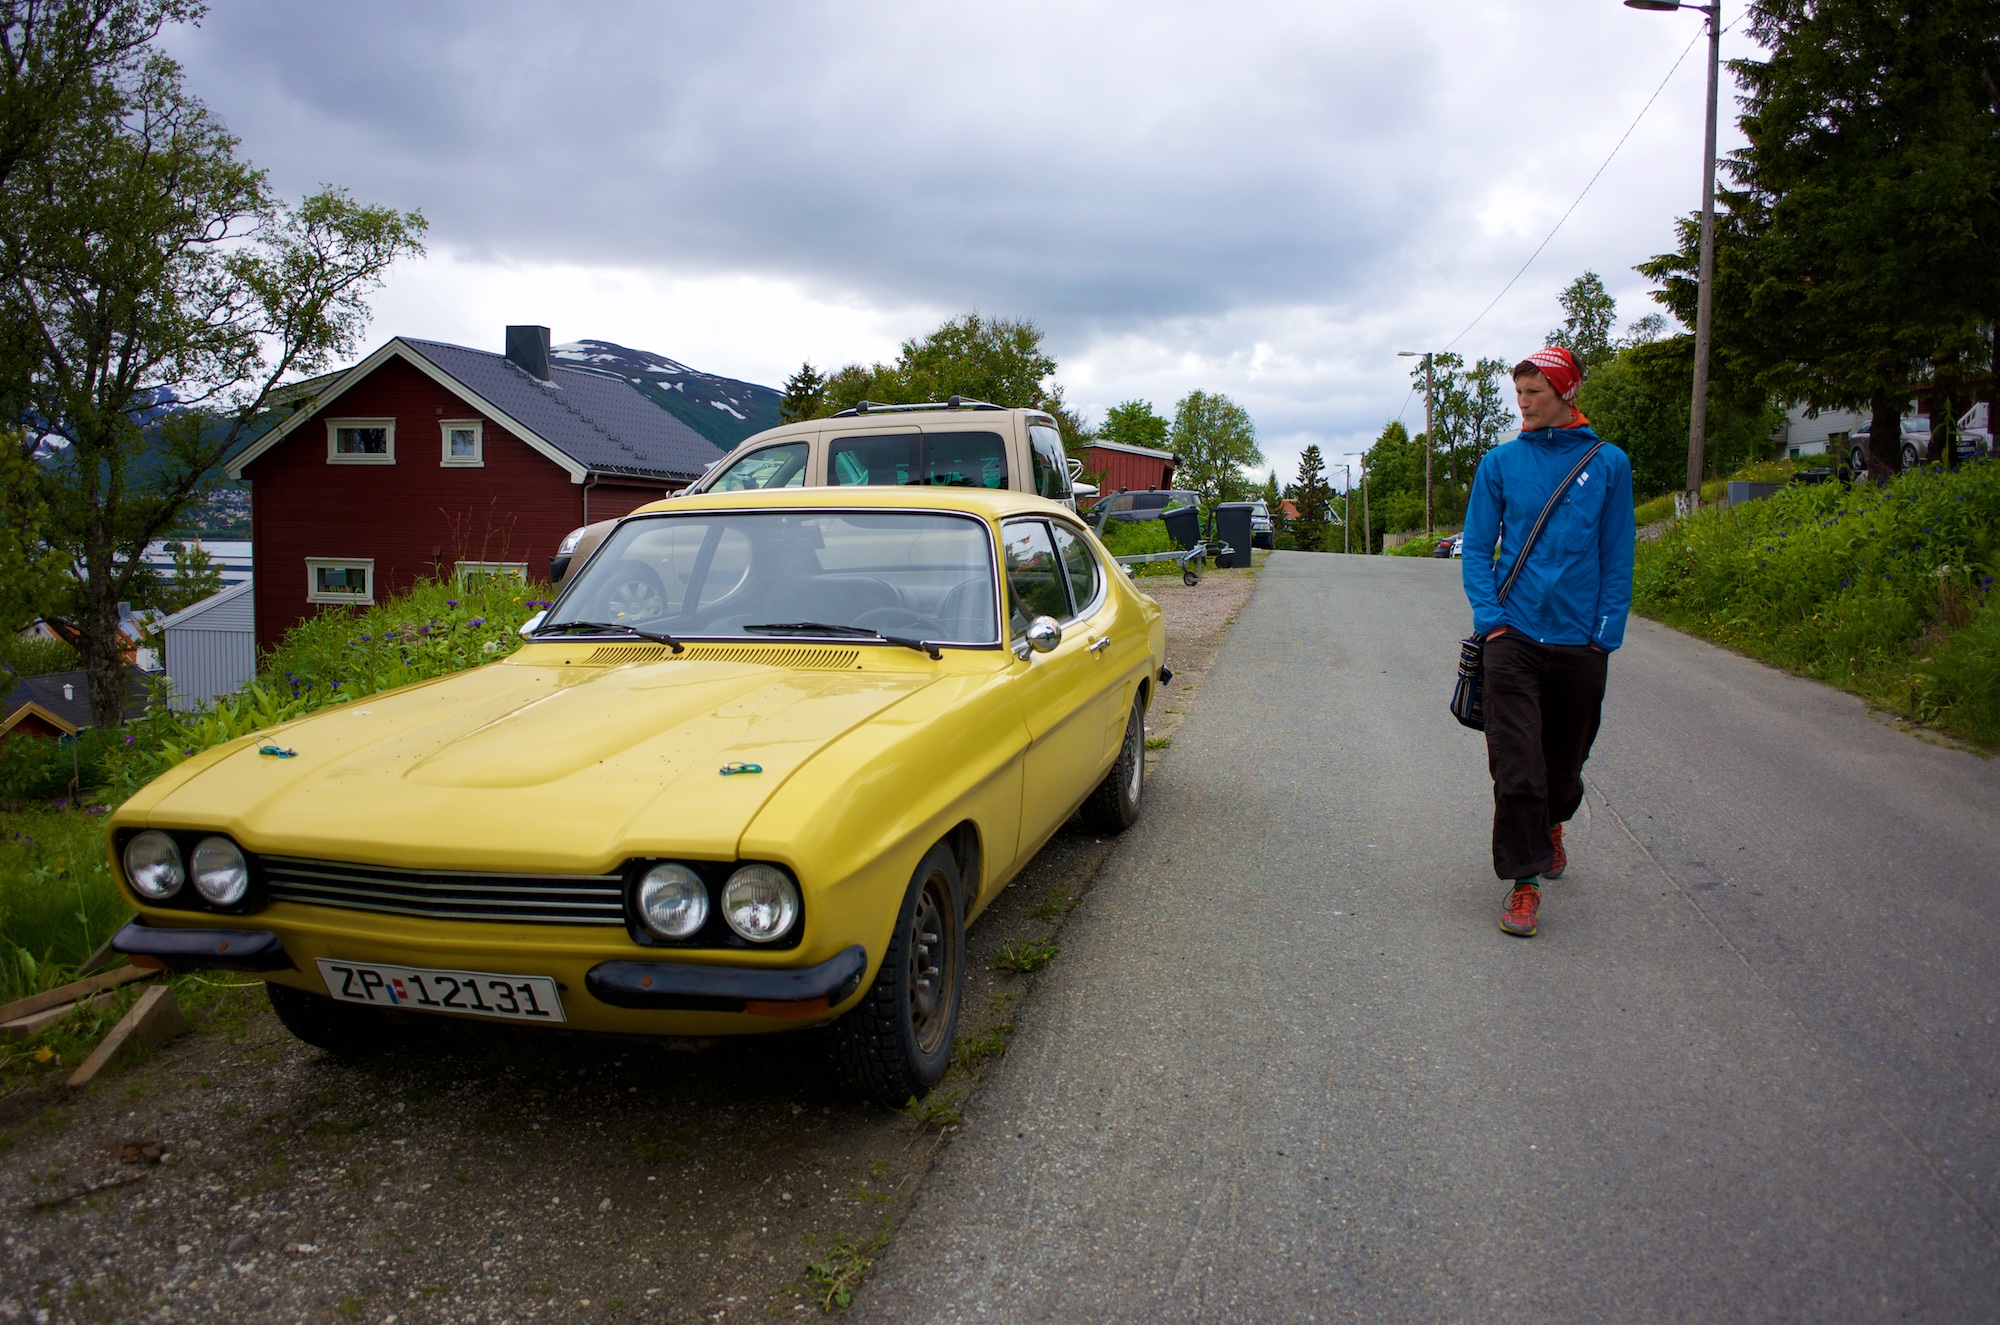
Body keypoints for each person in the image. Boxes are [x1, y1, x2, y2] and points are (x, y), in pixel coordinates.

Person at [1460, 346, 1634, 937]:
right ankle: (1524, 882)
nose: (1523, 403)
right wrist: (1491, 617)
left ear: (1566, 394)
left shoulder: (1609, 464)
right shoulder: (1500, 463)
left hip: (1581, 641)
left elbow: (1617, 552)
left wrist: (1605, 633)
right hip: (1512, 637)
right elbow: (1478, 545)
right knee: (1517, 767)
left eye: (1535, 392)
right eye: (1520, 392)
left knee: (1562, 767)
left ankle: (1555, 820)